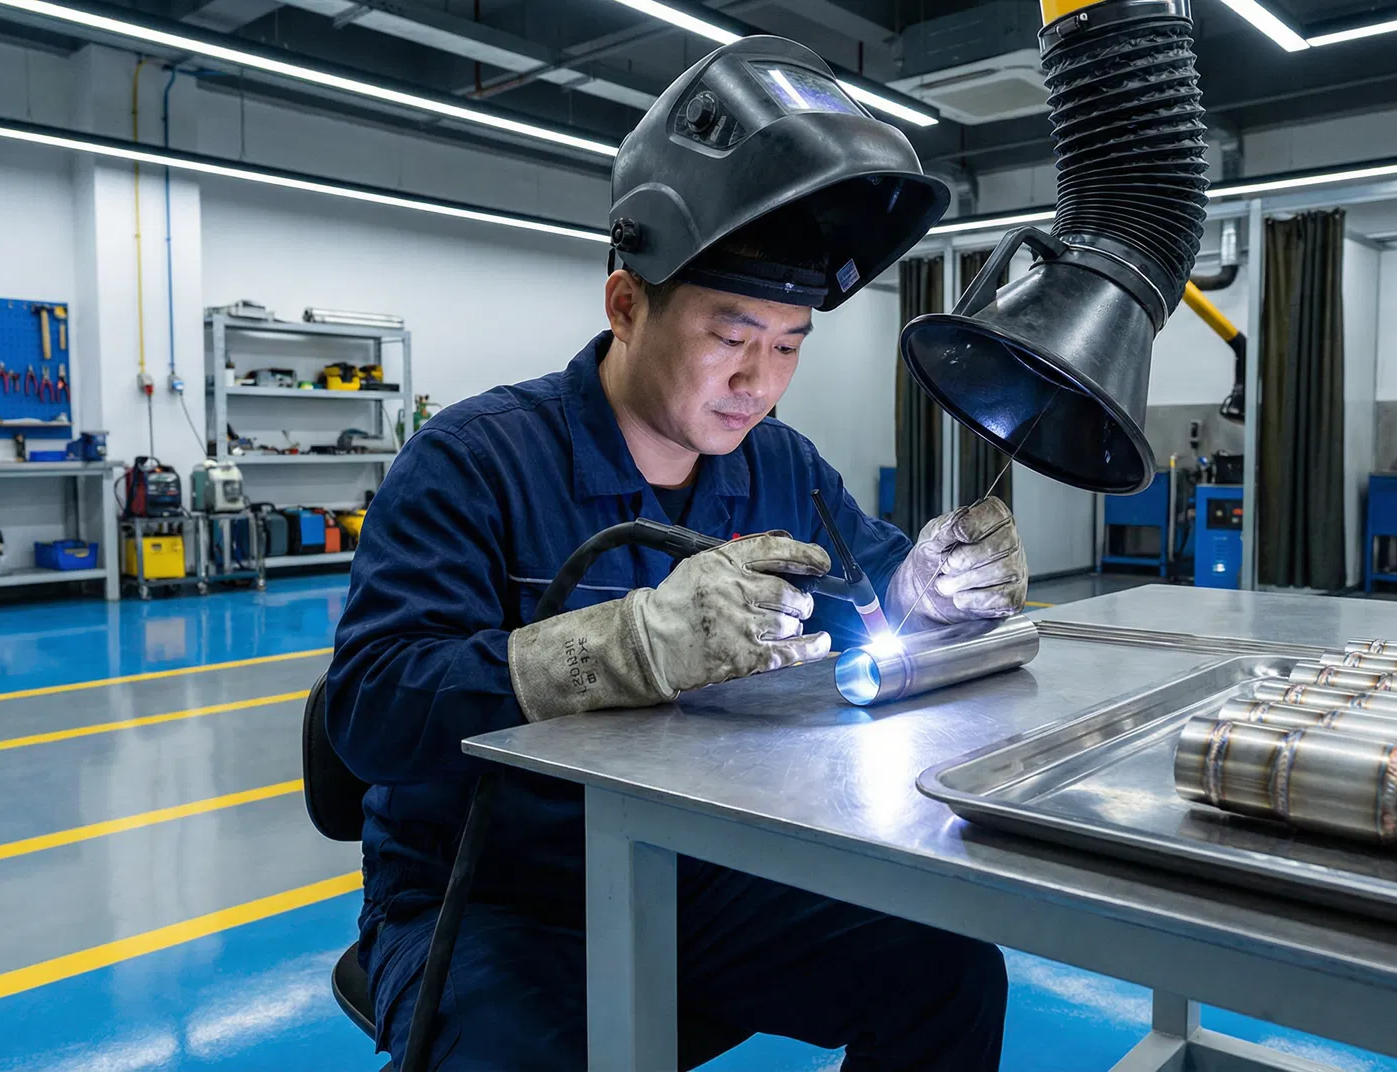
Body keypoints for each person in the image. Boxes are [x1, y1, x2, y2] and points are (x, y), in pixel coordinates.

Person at [326, 34, 1029, 1071]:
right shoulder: (473, 461)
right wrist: (616, 647)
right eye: (730, 335)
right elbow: (370, 711)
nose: (760, 380)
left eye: (789, 344)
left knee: (946, 965)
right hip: (490, 899)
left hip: (690, 868)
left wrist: (929, 591)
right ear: (625, 304)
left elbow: (874, 593)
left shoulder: (780, 465)